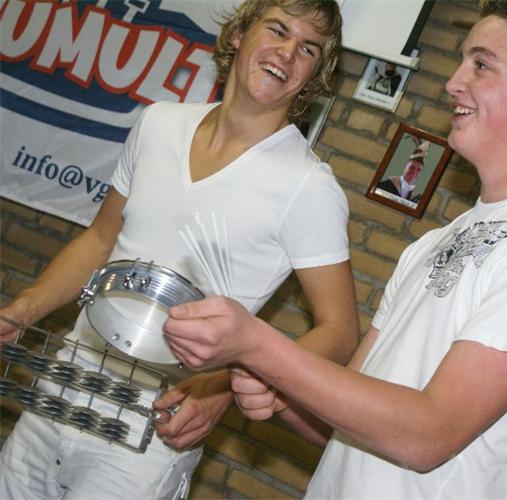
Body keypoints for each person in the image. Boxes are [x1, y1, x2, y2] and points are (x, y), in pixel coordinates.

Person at [162, 0, 507, 498]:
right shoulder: (434, 242)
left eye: (481, 65)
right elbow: (341, 424)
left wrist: (258, 345)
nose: (453, 82)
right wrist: (281, 394)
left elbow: (428, 434)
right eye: (463, 60)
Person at [0, 1, 358, 499]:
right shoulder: (159, 123)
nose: (287, 53)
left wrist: (226, 386)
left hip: (153, 430)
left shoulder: (309, 186)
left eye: (308, 49)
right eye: (277, 30)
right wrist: (23, 309)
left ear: (314, 75)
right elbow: (101, 239)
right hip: (62, 385)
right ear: (239, 34)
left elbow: (340, 331)